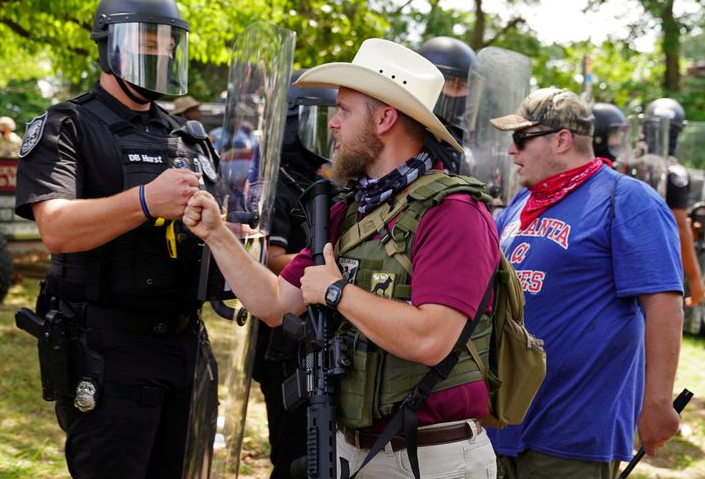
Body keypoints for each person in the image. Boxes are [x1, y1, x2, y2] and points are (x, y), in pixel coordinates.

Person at [184, 38, 499, 478]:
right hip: (351, 451)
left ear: (386, 118)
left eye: (345, 110)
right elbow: (275, 303)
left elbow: (432, 339)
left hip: (432, 458)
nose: (332, 124)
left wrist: (336, 292)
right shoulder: (348, 210)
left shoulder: (454, 213)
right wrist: (217, 236)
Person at [15, 0, 212, 479]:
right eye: (146, 47)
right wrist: (147, 201)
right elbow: (56, 229)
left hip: (188, 345)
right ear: (110, 46)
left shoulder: (186, 135)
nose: (159, 58)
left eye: (167, 47)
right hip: (110, 349)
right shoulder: (68, 124)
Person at [486, 87, 684, 479]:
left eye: (521, 139)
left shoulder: (626, 199)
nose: (512, 151)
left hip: (572, 434)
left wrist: (658, 402)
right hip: (500, 425)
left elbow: (663, 302)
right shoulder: (521, 203)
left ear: (561, 139)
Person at [252, 70, 336, 479]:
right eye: (319, 121)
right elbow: (270, 258)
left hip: (316, 337)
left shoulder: (320, 181)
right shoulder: (277, 183)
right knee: (293, 454)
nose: (331, 132)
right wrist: (330, 272)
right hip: (284, 338)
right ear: (293, 123)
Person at [644, 97, 705, 308]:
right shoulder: (674, 172)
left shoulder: (627, 163)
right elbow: (680, 226)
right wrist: (696, 280)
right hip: (655, 268)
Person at [416, 36, 475, 173]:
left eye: (468, 86)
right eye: (457, 85)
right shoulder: (409, 140)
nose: (465, 94)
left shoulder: (460, 140)